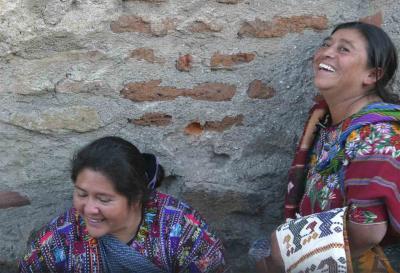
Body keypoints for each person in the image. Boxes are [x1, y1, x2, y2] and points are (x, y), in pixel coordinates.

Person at [250, 21, 400, 272]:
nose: (327, 52)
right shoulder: (328, 122)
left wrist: (286, 259)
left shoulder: (376, 136)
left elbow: (367, 232)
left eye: (344, 49)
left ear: (372, 75)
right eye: (327, 44)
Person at [19, 136, 227, 273]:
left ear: (136, 198)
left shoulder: (181, 230)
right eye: (82, 194)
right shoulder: (61, 238)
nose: (89, 209)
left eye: (104, 199)